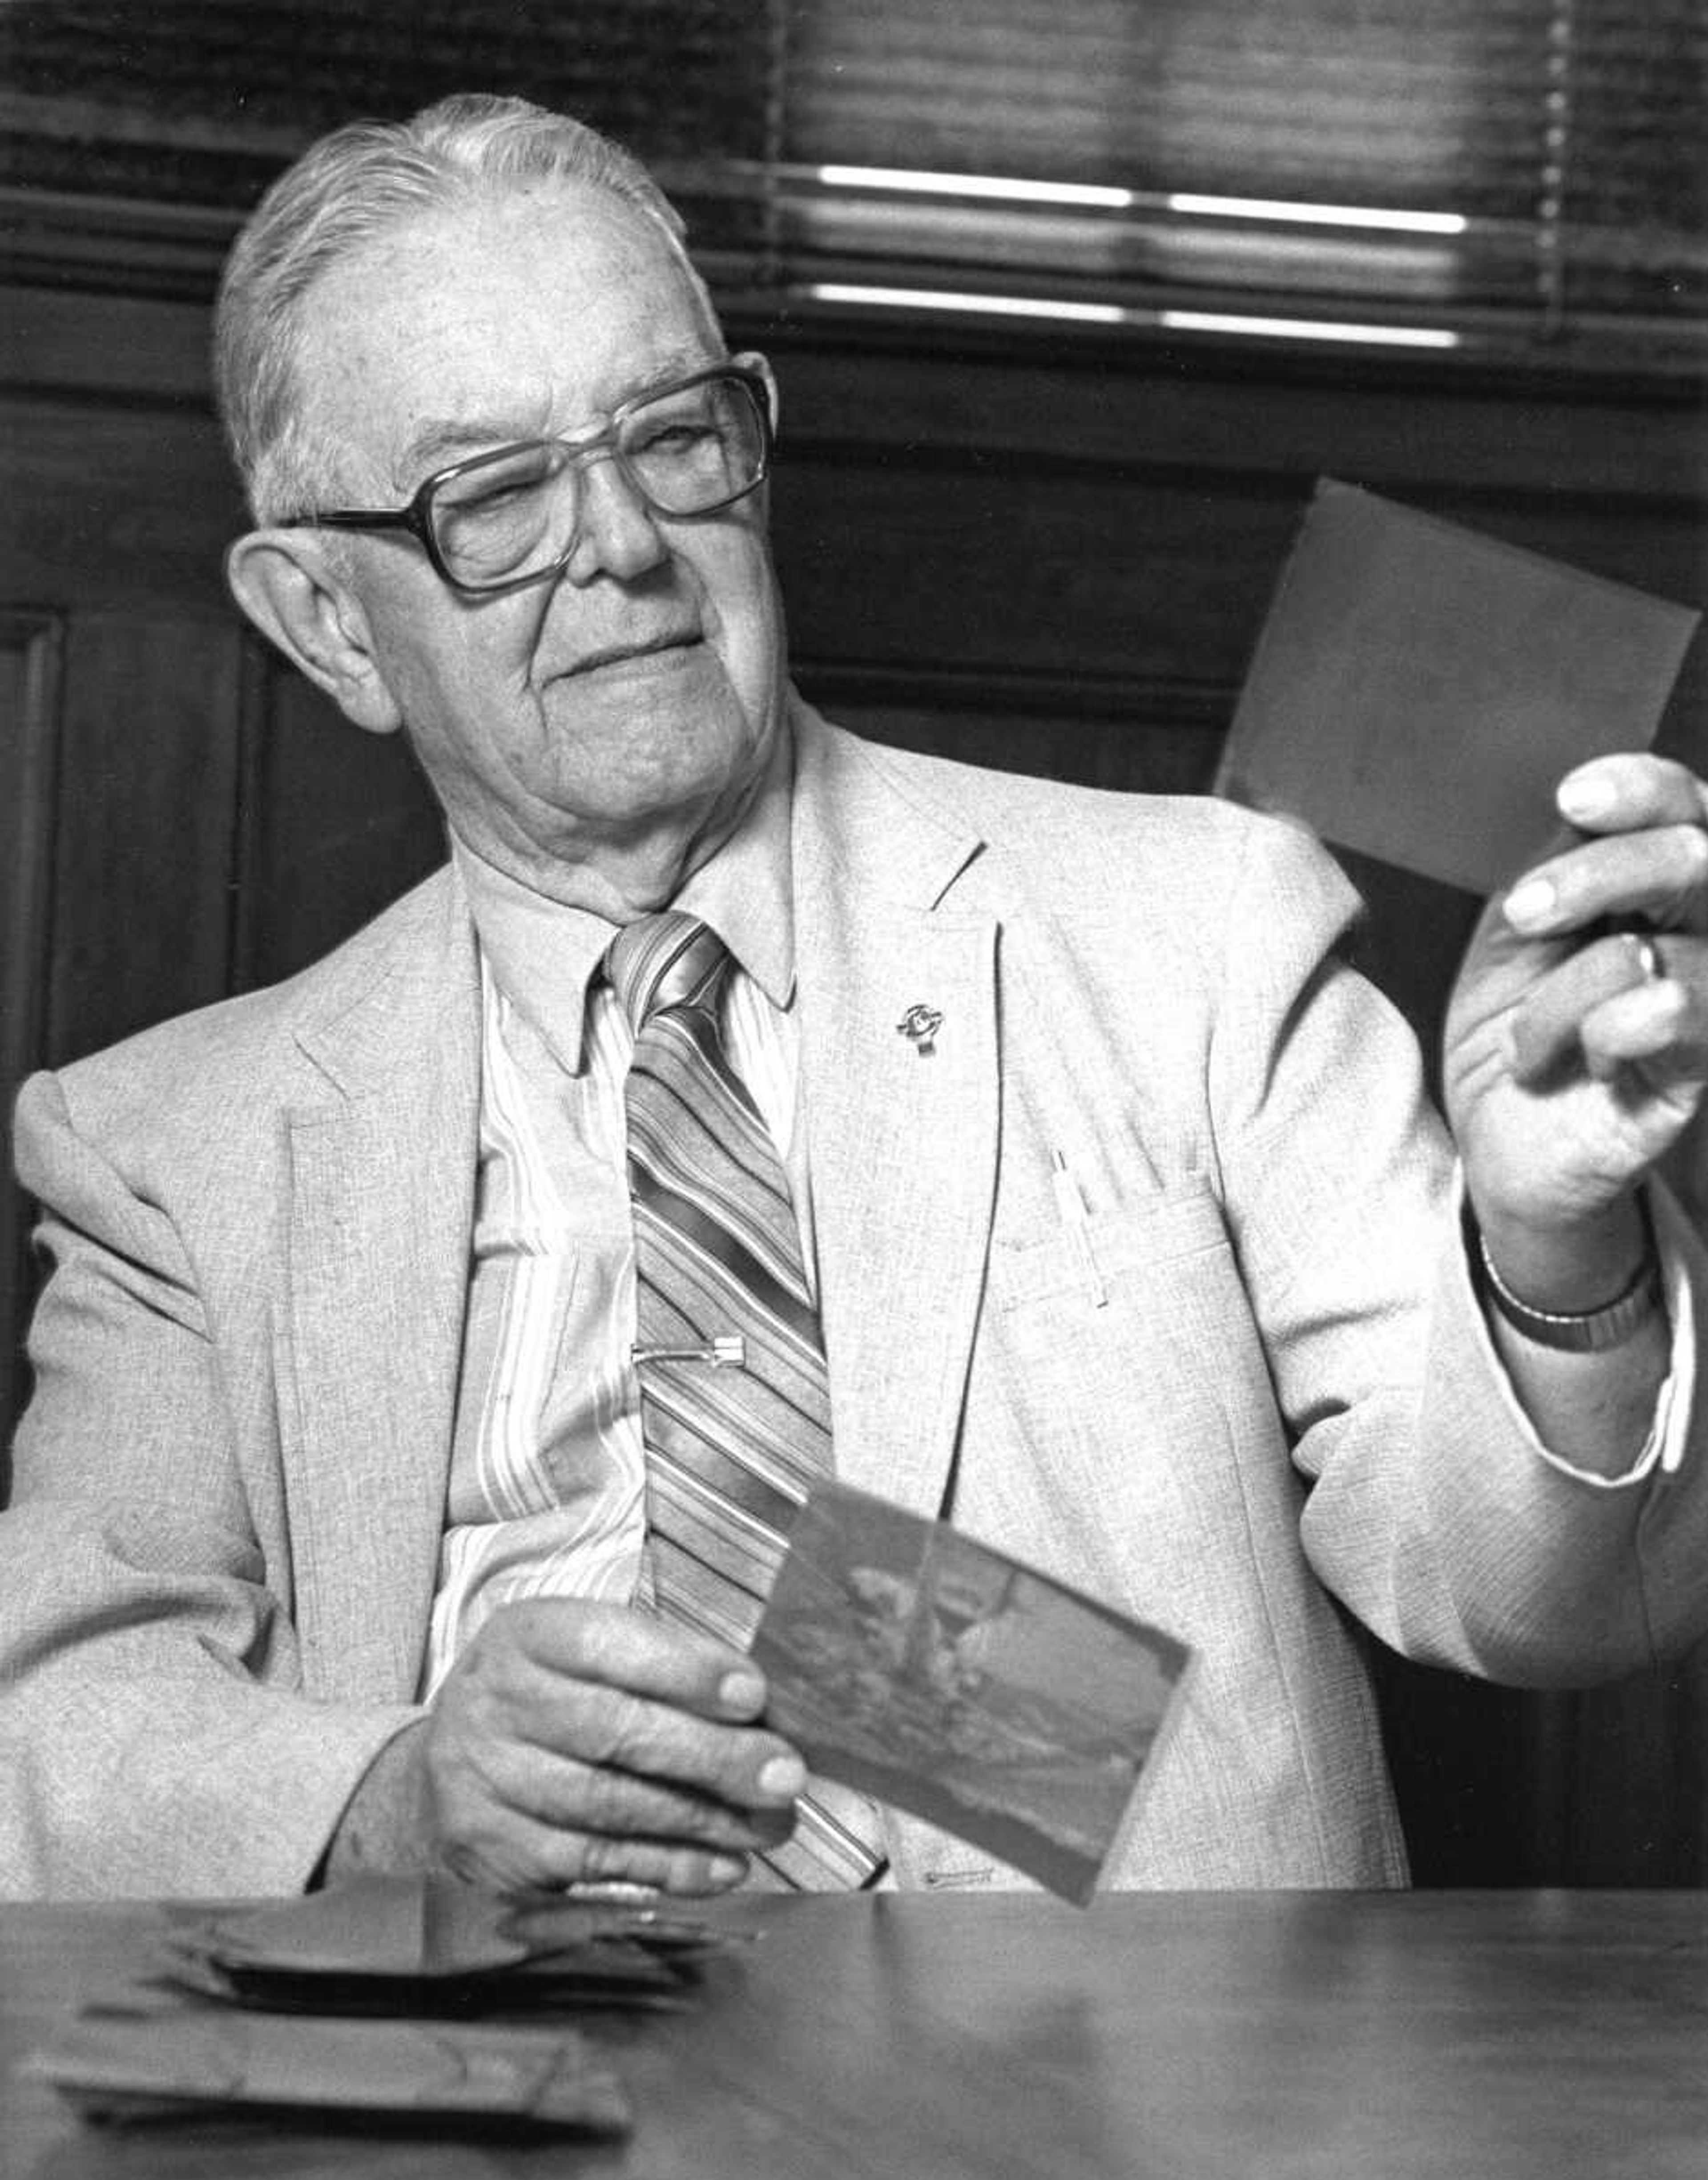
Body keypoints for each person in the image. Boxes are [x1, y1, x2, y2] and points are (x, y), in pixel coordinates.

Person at [4, 92, 1708, 1902]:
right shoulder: (175, 1148)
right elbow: (56, 1726)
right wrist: (394, 1801)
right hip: (493, 2088)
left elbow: (1536, 1600)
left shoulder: (1190, 927)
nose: (625, 546)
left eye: (672, 437)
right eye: (493, 496)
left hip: (1135, 2115)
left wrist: (1548, 1252)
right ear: (330, 622)